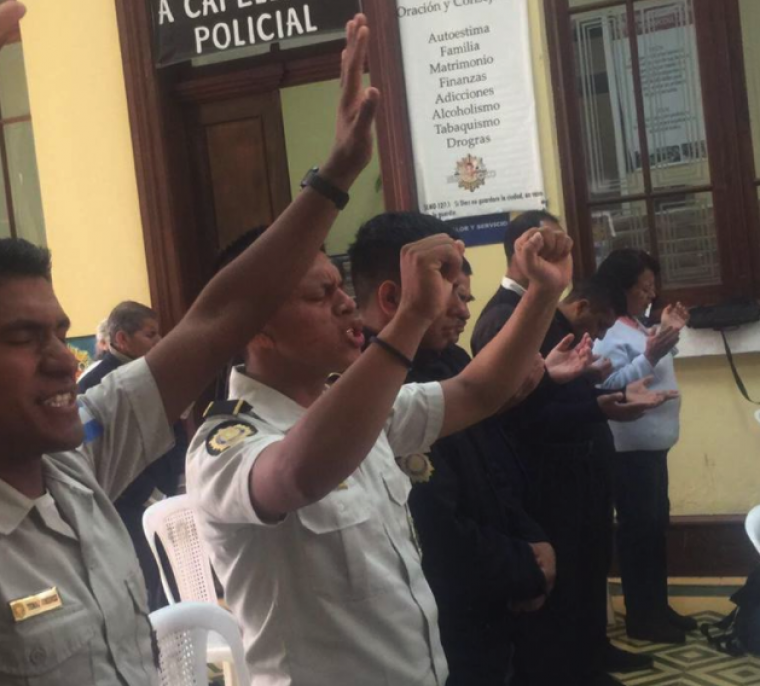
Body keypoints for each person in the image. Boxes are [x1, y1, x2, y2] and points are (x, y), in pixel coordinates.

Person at [0, 3, 382, 684]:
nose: (64, 356)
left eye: (60, 330)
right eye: (23, 338)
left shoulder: (75, 471)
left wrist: (334, 180)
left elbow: (215, 322)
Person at [187, 217, 575, 685]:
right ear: (256, 328)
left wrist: (542, 292)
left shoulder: (358, 408)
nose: (347, 304)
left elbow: (479, 391)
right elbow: (297, 475)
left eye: (341, 287)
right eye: (320, 295)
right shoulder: (226, 444)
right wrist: (411, 315)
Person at [349, 212, 613, 686]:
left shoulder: (448, 359)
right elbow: (433, 526)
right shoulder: (365, 390)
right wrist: (522, 569)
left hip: (495, 607)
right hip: (449, 617)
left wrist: (532, 539)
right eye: (452, 292)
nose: (466, 312)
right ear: (395, 296)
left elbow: (497, 467)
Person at [471, 213, 677, 686]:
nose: (565, 256)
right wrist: (603, 408)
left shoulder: (536, 311)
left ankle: (591, 655)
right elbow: (516, 413)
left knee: (588, 571)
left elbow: (557, 390)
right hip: (547, 474)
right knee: (563, 584)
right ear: (525, 251)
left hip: (578, 467)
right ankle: (572, 669)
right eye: (553, 246)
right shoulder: (505, 316)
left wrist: (602, 396)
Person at [594, 248, 693, 644]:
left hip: (653, 448)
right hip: (629, 451)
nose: (650, 295)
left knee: (655, 530)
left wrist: (665, 330)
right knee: (639, 533)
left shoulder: (636, 325)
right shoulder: (609, 333)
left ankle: (658, 606)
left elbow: (655, 358)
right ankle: (643, 618)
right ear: (621, 288)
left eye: (653, 287)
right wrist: (655, 348)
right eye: (642, 288)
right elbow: (609, 386)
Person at [78, 301, 185, 611]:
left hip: (163, 497)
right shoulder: (95, 384)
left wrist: (175, 480)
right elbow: (96, 450)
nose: (159, 343)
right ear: (122, 339)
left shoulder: (154, 376)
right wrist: (142, 491)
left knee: (169, 584)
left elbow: (175, 431)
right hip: (125, 505)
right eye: (150, 335)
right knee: (143, 584)